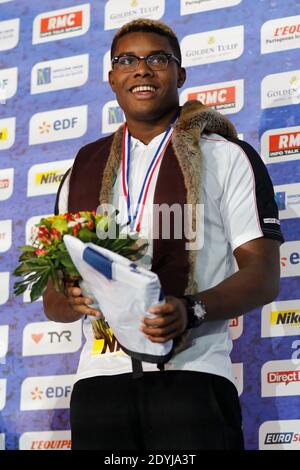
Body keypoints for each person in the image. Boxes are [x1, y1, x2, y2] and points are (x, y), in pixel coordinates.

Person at [43, 18, 284, 450]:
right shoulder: (82, 167)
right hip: (100, 386)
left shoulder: (227, 156)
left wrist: (190, 309)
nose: (142, 69)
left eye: (157, 58)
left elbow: (263, 275)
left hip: (191, 378)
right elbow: (54, 301)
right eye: (127, 60)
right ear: (112, 78)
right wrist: (73, 297)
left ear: (180, 74)